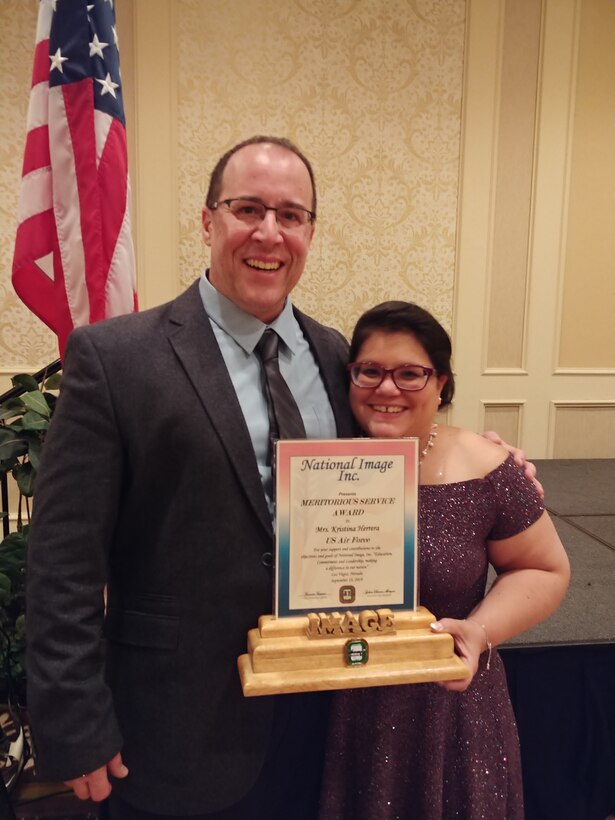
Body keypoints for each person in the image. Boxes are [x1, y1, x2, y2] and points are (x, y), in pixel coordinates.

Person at [25, 136, 539, 820]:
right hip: (175, 726)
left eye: (290, 215)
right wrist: (72, 722)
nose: (269, 232)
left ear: (309, 233)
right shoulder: (117, 359)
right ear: (207, 221)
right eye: (247, 209)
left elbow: (388, 457)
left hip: (328, 714)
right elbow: (63, 562)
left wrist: (488, 456)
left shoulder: (335, 355)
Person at [319, 301, 570, 820]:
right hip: (332, 709)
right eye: (370, 371)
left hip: (448, 710)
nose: (387, 389)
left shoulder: (487, 467)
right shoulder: (316, 460)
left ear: (442, 384)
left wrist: (478, 632)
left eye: (411, 374)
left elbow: (545, 569)